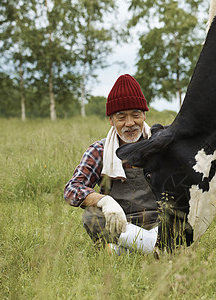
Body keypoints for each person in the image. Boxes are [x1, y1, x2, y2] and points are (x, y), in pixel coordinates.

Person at [64, 74, 158, 254]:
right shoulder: (99, 150)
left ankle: (122, 251)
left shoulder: (159, 145)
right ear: (111, 120)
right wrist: (104, 201)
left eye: (135, 115)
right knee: (92, 217)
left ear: (144, 115)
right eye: (121, 117)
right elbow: (72, 189)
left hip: (158, 222)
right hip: (120, 223)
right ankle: (157, 248)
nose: (130, 123)